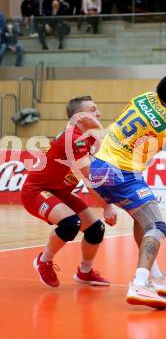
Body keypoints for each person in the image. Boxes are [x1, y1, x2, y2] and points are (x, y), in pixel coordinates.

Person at [90, 74, 166, 309]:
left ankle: (154, 276)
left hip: (97, 167)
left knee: (142, 217)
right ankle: (139, 283)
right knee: (157, 227)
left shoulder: (143, 98)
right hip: (122, 173)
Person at [21, 96, 112, 288]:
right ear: (79, 117)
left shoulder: (87, 139)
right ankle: (44, 261)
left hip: (60, 192)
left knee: (96, 229)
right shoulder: (74, 139)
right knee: (71, 223)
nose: (99, 113)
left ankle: (85, 272)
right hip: (37, 191)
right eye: (93, 109)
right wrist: (107, 206)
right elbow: (89, 180)